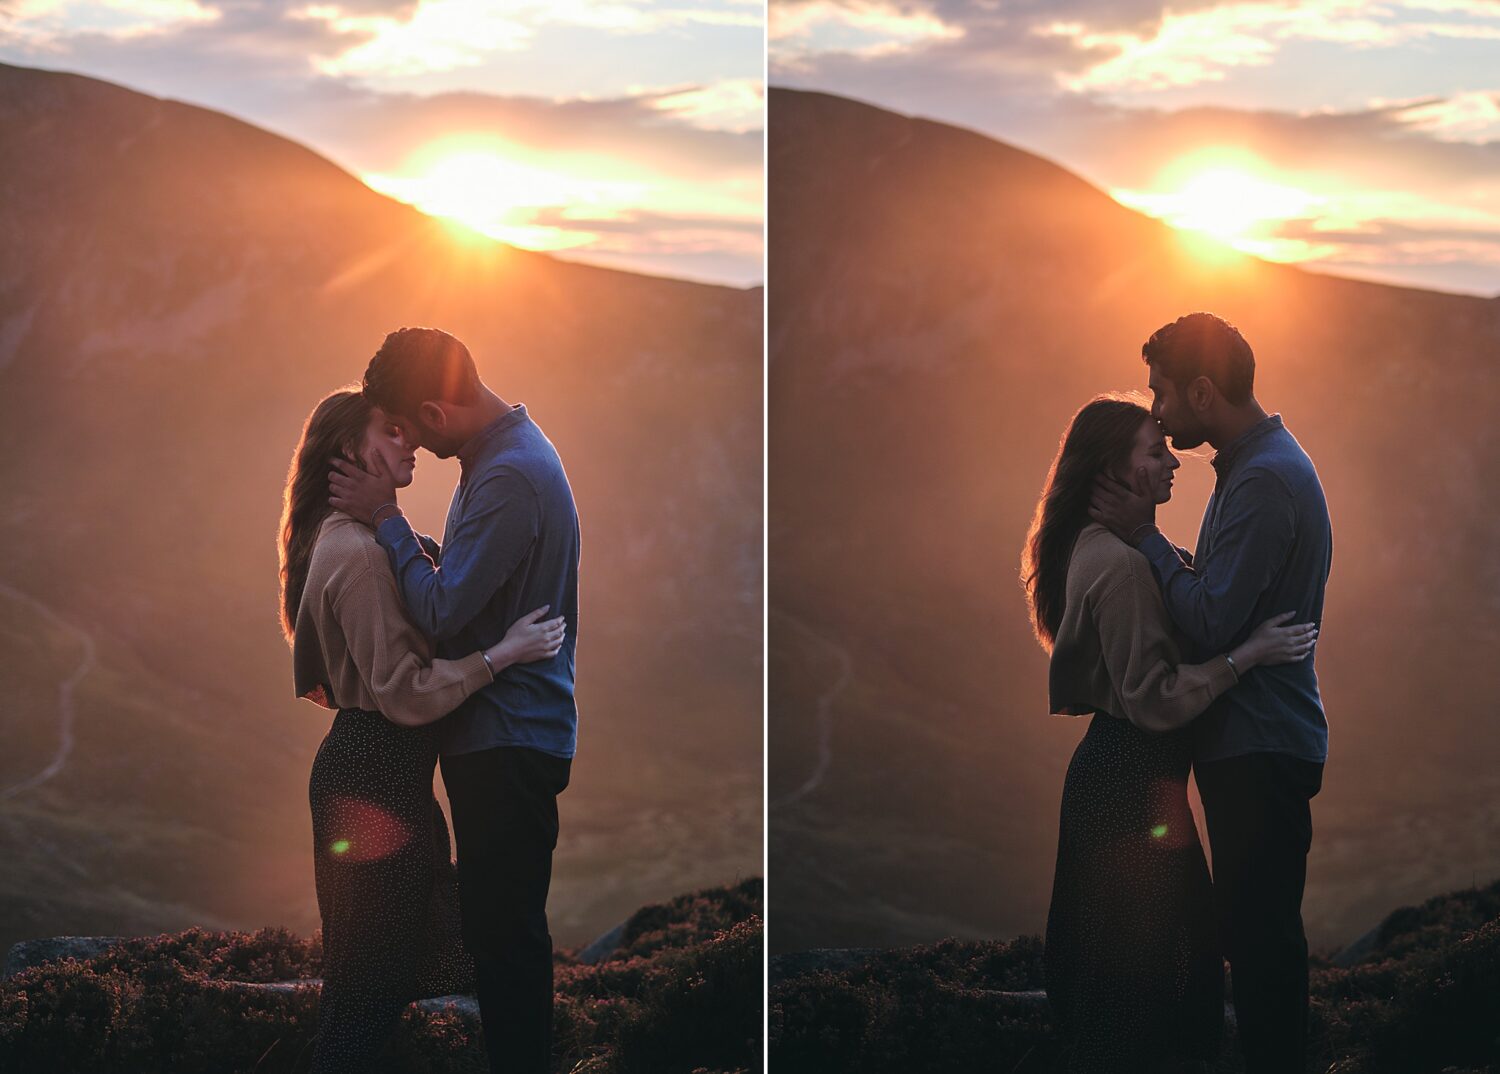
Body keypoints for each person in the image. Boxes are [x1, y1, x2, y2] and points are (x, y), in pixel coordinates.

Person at [1022, 394, 1317, 1072]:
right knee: (1160, 989)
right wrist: (1250, 658)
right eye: (1154, 452)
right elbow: (1152, 701)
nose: (1172, 460)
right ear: (1112, 472)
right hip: (1130, 790)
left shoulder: (1111, 550)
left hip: (1124, 787)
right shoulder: (1121, 568)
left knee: (1135, 982)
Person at [278, 387, 566, 1073]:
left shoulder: (362, 538)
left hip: (390, 784)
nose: (410, 445)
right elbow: (404, 695)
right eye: (392, 432)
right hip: (375, 781)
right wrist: (502, 657)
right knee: (364, 996)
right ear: (352, 451)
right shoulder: (353, 553)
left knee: (452, 954)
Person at [1090, 313, 1333, 1074]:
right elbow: (1227, 603)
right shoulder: (1253, 467)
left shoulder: (1262, 480)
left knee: (1259, 942)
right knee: (1254, 934)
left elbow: (1209, 619)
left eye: (1163, 393)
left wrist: (1147, 537)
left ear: (1202, 389)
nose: (1157, 411)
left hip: (1259, 743)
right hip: (1257, 739)